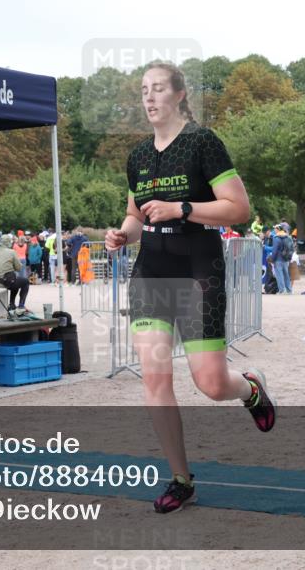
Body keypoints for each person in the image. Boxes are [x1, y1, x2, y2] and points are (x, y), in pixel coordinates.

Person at [104, 61, 275, 514]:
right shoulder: (139, 156)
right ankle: (181, 479)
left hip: (198, 270)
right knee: (156, 379)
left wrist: (182, 207)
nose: (149, 97)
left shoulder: (202, 142)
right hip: (151, 275)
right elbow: (137, 216)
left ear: (179, 95)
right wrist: (123, 234)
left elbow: (238, 208)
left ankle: (250, 389)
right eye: (144, 90)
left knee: (211, 384)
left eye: (158, 89)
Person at [0, 234, 30, 315]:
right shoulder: (12, 252)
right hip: (6, 282)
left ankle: (12, 304)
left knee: (15, 280)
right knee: (25, 281)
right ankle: (21, 305)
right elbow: (18, 268)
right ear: (9, 243)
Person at [268, 223, 294, 294]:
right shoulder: (288, 237)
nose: (274, 230)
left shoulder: (276, 238)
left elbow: (275, 250)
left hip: (278, 259)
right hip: (286, 259)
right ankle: (289, 290)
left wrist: (272, 259)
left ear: (278, 229)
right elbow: (292, 248)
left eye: (275, 228)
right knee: (286, 275)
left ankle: (282, 290)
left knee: (279, 275)